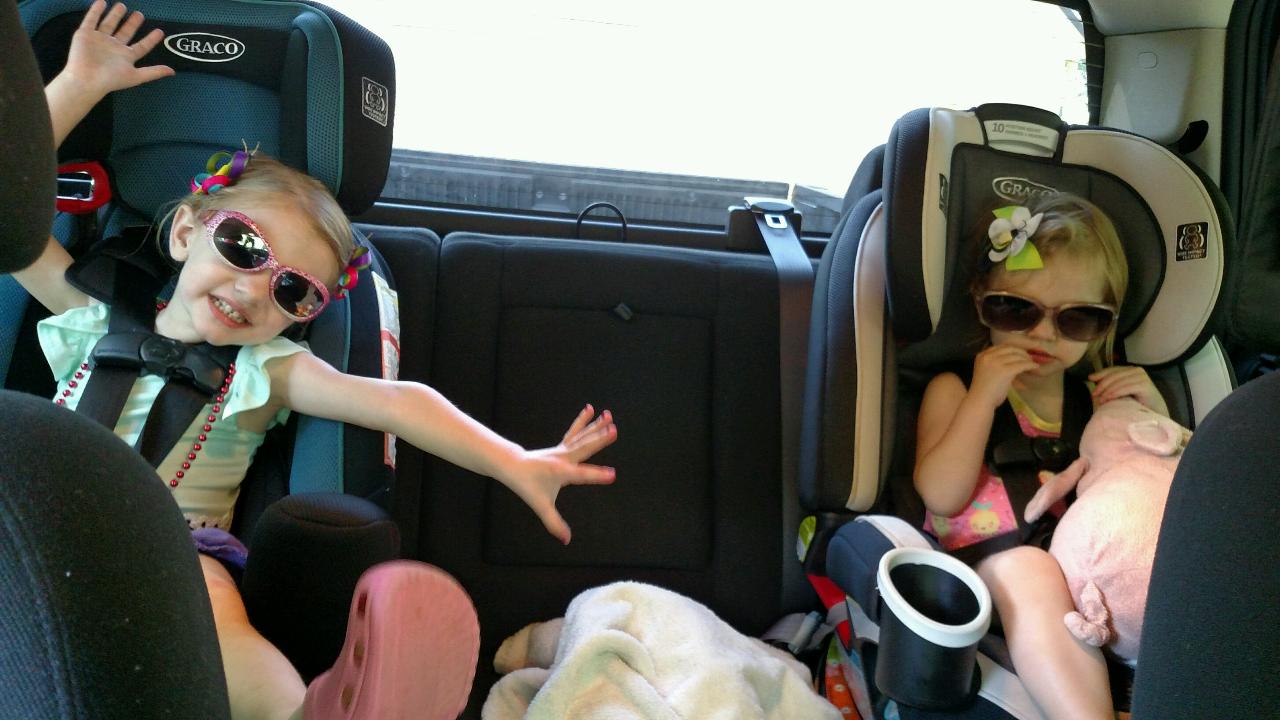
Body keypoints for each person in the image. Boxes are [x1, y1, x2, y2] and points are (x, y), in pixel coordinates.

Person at [11, 3, 619, 719]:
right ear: (185, 233)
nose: (253, 289)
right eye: (242, 247)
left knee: (217, 616)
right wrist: (78, 84)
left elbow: (400, 403)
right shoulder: (88, 310)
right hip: (37, 530)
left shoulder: (266, 369)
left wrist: (514, 460)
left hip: (176, 550)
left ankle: (311, 709)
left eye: (293, 291)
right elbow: (4, 206)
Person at [912, 193, 1167, 720]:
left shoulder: (1098, 400)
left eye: (1078, 319)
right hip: (986, 564)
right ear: (981, 301)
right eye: (1017, 309)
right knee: (1032, 571)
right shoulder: (955, 389)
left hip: (1085, 569)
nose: (1045, 333)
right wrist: (983, 400)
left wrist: (1153, 414)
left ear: (1106, 325)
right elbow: (941, 494)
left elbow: (1152, 488)